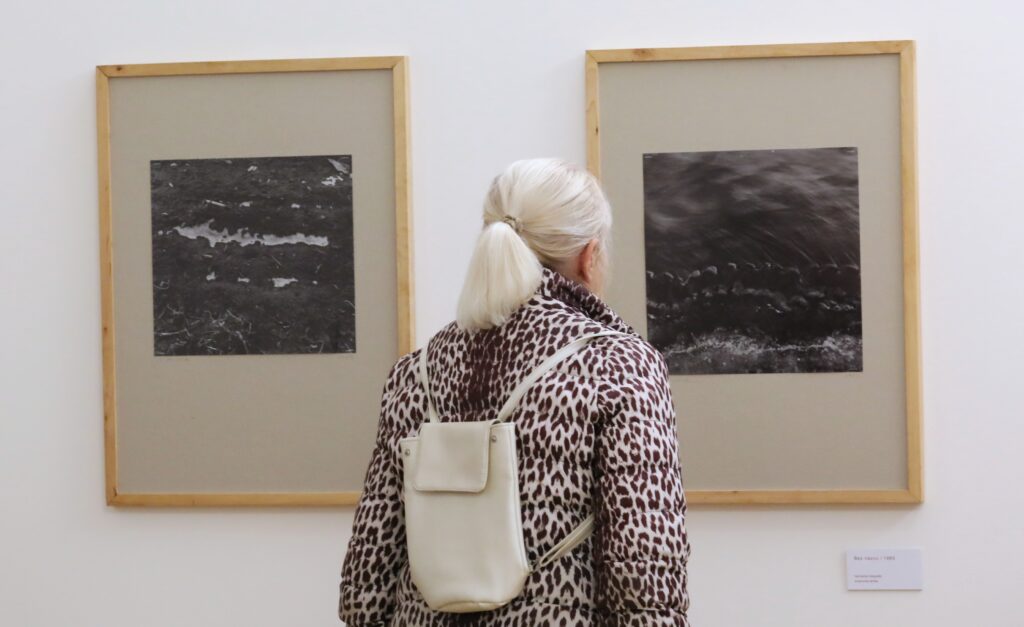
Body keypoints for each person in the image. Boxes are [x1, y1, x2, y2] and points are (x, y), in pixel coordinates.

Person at [338, 158, 691, 626]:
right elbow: (643, 561)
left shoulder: (414, 372)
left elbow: (370, 568)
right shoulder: (618, 366)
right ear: (589, 255)